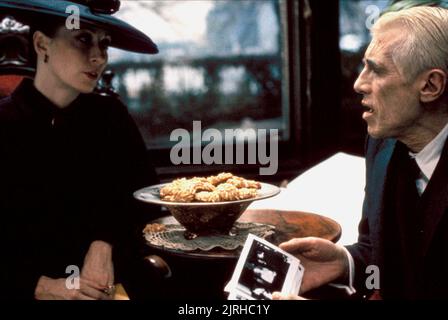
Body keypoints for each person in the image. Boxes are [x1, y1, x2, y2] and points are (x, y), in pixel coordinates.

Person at [273, 6, 448, 300]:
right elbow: (382, 254)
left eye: (376, 70)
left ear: (430, 85)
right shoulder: (383, 144)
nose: (358, 84)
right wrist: (346, 262)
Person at [0, 0, 163, 300]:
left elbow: (148, 200)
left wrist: (104, 242)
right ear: (42, 44)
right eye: (83, 39)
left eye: (105, 44)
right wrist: (44, 287)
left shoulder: (111, 117)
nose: (99, 58)